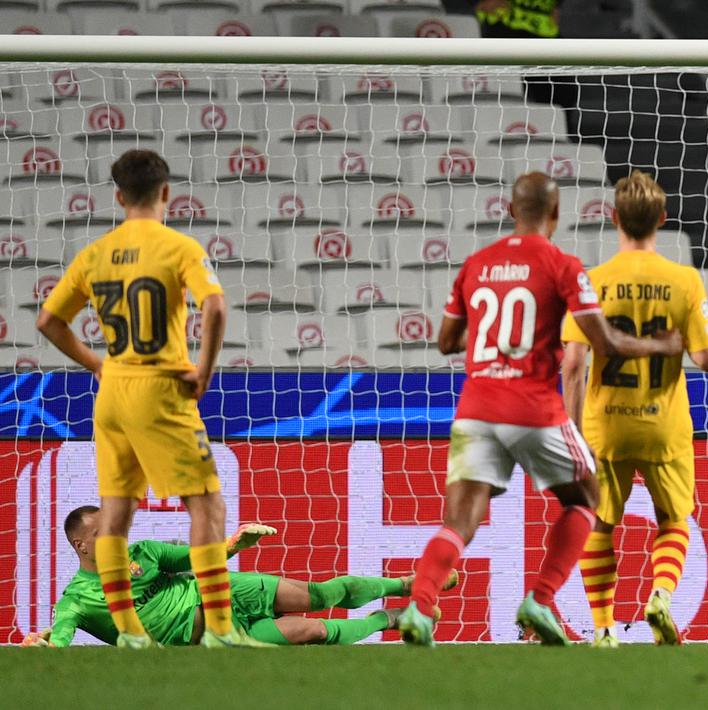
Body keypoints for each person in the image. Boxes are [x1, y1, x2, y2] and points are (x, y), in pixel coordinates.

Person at [398, 172, 683, 647]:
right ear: (555, 215)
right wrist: (660, 344)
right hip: (532, 407)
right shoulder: (562, 265)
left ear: (511, 211)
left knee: (459, 524)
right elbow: (605, 341)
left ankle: (420, 608)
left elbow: (447, 340)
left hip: (476, 407)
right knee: (585, 497)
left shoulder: (476, 265)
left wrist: (494, 338)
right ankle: (541, 599)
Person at [34, 150, 258, 648]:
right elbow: (216, 306)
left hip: (112, 394)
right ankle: (221, 630)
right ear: (165, 193)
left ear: (117, 197)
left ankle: (132, 635)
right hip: (160, 388)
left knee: (116, 512)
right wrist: (203, 370)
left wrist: (97, 364)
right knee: (207, 505)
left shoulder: (95, 253)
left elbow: (48, 321)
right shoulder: (177, 247)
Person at [559, 170, 708, 647]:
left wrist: (571, 432)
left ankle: (605, 627)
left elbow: (572, 364)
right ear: (663, 221)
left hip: (605, 427)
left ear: (614, 220)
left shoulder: (590, 281)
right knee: (673, 519)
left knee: (601, 523)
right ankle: (661, 596)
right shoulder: (684, 280)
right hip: (663, 427)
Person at [20, 505, 458, 647]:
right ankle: (390, 620)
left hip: (230, 590)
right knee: (311, 630)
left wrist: (234, 545)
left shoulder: (144, 552)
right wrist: (42, 645)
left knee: (319, 593)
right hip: (218, 636)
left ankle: (408, 584)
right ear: (81, 546)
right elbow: (57, 638)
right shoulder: (77, 599)